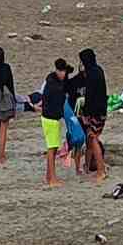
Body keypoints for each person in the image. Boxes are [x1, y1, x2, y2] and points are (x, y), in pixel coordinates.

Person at [77, 48, 109, 183]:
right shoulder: (98, 70)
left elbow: (90, 96)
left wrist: (85, 113)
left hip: (94, 111)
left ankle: (101, 170)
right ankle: (87, 166)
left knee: (92, 137)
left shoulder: (91, 74)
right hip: (102, 110)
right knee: (90, 139)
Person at [40, 59, 72, 187]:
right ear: (57, 70)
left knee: (52, 148)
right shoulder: (54, 85)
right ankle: (52, 179)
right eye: (62, 71)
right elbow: (59, 96)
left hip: (51, 118)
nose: (64, 74)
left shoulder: (53, 79)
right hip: (50, 118)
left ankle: (49, 176)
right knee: (52, 149)